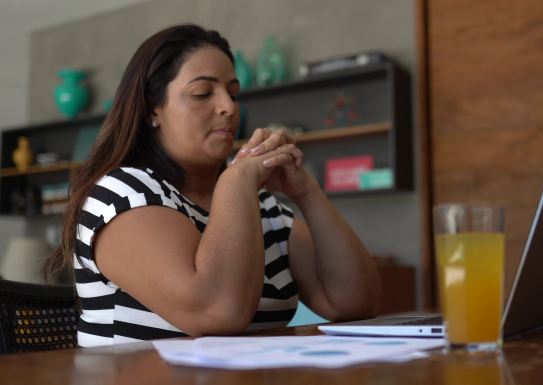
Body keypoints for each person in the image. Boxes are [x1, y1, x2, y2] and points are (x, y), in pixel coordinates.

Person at [43, 24, 382, 347]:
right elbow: (217, 312)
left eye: (233, 93)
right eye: (203, 93)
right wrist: (236, 181)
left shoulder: (264, 209)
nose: (229, 107)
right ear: (152, 110)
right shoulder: (124, 194)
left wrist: (305, 191)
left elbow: (354, 303)